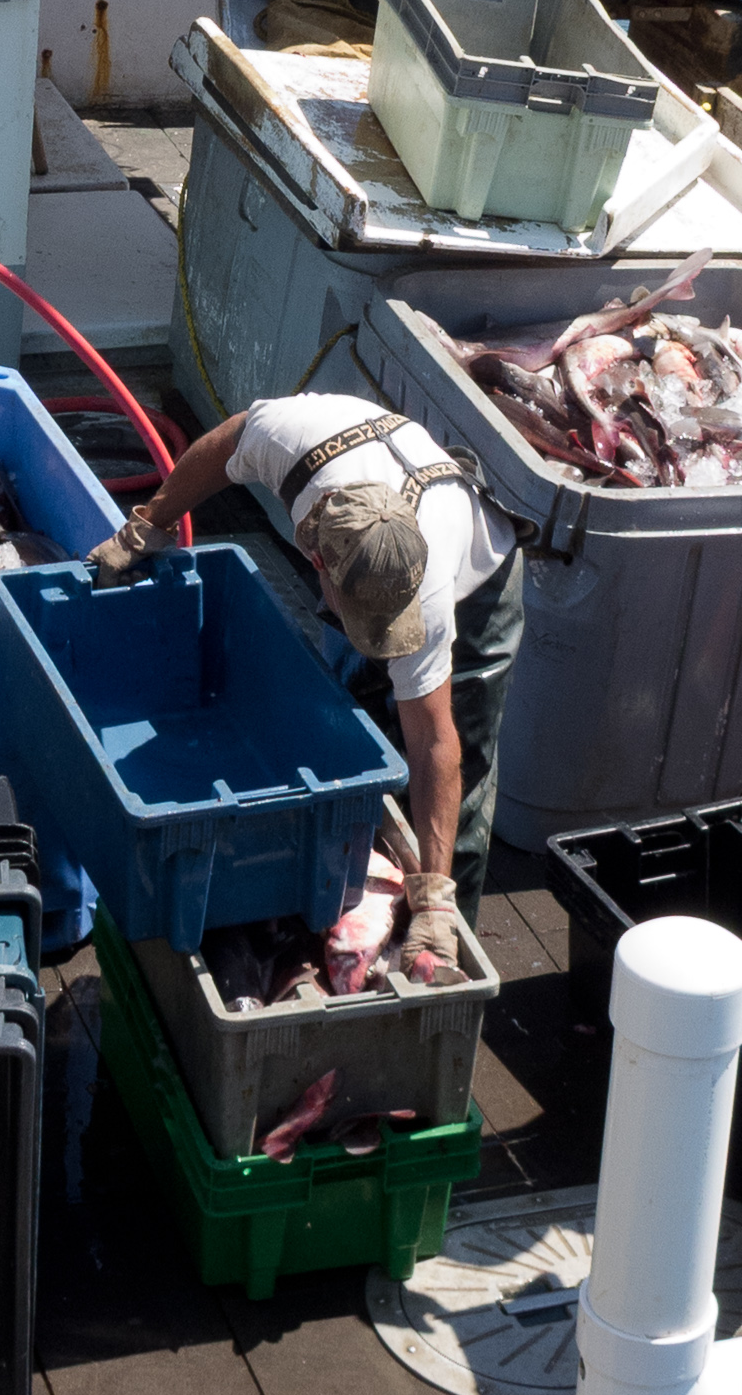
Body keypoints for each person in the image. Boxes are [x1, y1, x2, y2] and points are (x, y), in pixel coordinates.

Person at [87, 392, 524, 979]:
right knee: (344, 728)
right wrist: (146, 528)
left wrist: (433, 893)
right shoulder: (287, 440)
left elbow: (434, 742)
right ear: (315, 561)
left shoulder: (430, 599)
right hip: (367, 541)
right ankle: (329, 909)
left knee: (454, 798)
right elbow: (223, 446)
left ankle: (438, 953)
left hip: (480, 584)